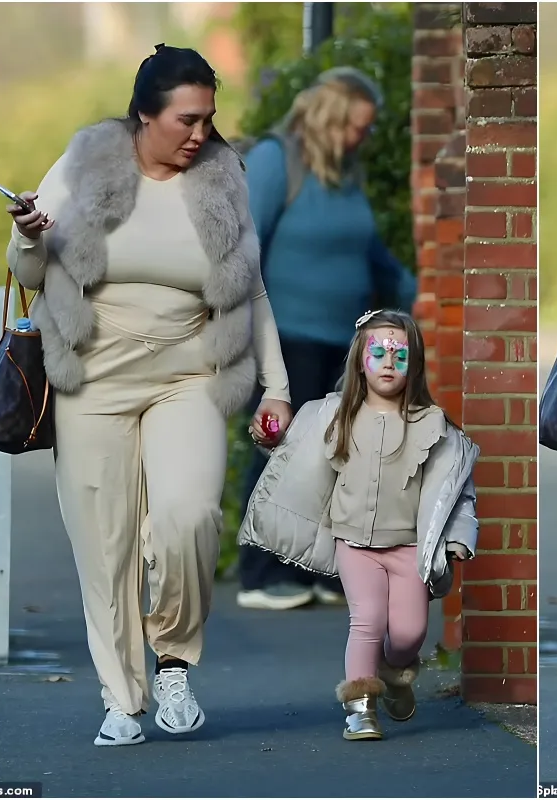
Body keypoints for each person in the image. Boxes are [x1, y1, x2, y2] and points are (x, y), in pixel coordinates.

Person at [3, 45, 293, 746]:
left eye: (208, 120)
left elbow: (250, 286)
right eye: (186, 120)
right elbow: (28, 271)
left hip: (187, 376)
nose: (200, 135)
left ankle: (172, 659)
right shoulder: (83, 166)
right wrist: (27, 236)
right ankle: (120, 698)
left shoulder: (224, 179)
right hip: (91, 381)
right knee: (105, 549)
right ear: (144, 114)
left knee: (188, 515)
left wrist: (277, 385)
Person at [240, 309, 478, 741]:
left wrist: (459, 538)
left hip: (408, 547)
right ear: (359, 361)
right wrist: (268, 436)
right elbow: (290, 458)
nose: (389, 362)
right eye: (379, 352)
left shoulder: (433, 426)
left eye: (400, 354)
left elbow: (455, 492)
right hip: (354, 543)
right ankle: (360, 709)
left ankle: (393, 672)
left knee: (409, 633)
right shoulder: (333, 416)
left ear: (415, 363)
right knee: (366, 619)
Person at [235, 67, 418, 612]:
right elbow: (245, 249)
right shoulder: (275, 162)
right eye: (358, 125)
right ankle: (260, 574)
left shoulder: (346, 174)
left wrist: (421, 293)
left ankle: (318, 571)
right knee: (277, 450)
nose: (364, 136)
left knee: (335, 457)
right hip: (284, 338)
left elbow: (371, 254)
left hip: (345, 341)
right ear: (332, 117)